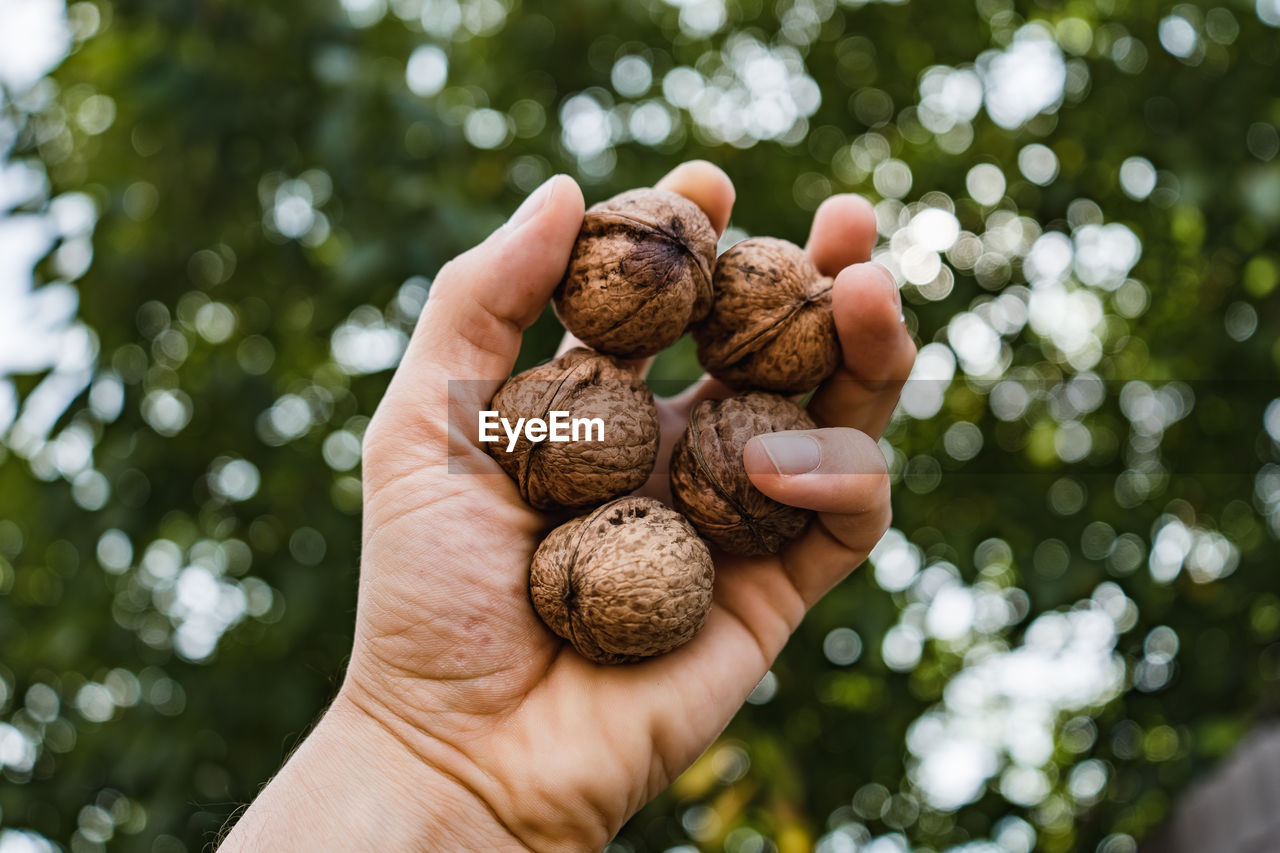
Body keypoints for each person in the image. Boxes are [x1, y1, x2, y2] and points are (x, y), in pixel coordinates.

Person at [219, 161, 917, 851]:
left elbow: (527, 428)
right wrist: (412, 747)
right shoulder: (510, 452)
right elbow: (517, 433)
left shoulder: (587, 425)